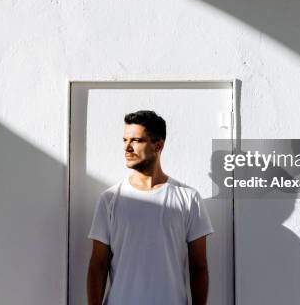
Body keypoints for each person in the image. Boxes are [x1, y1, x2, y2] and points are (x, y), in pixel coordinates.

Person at [86, 110, 214, 305]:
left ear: (158, 145)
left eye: (136, 140)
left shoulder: (189, 198)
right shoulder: (109, 199)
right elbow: (98, 264)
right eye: (124, 140)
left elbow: (199, 267)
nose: (127, 147)